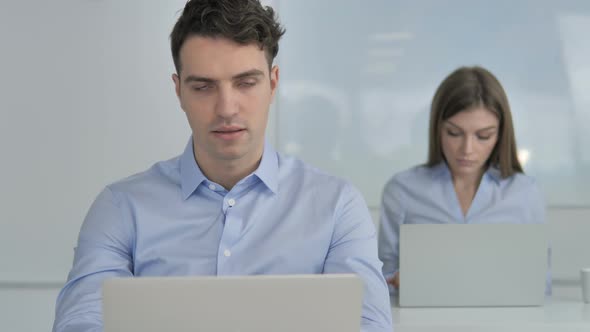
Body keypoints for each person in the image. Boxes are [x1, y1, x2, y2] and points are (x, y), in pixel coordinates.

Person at [52, 1, 393, 331]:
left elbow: (368, 324)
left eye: (246, 83)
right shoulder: (121, 208)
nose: (227, 108)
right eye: (203, 87)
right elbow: (82, 321)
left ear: (273, 83)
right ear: (179, 92)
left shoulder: (336, 206)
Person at [378, 66, 550, 293]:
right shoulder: (402, 190)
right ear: (437, 129)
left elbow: (541, 286)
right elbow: (382, 280)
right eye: (454, 133)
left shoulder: (525, 192)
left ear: (500, 135)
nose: (467, 149)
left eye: (483, 136)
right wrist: (397, 281)